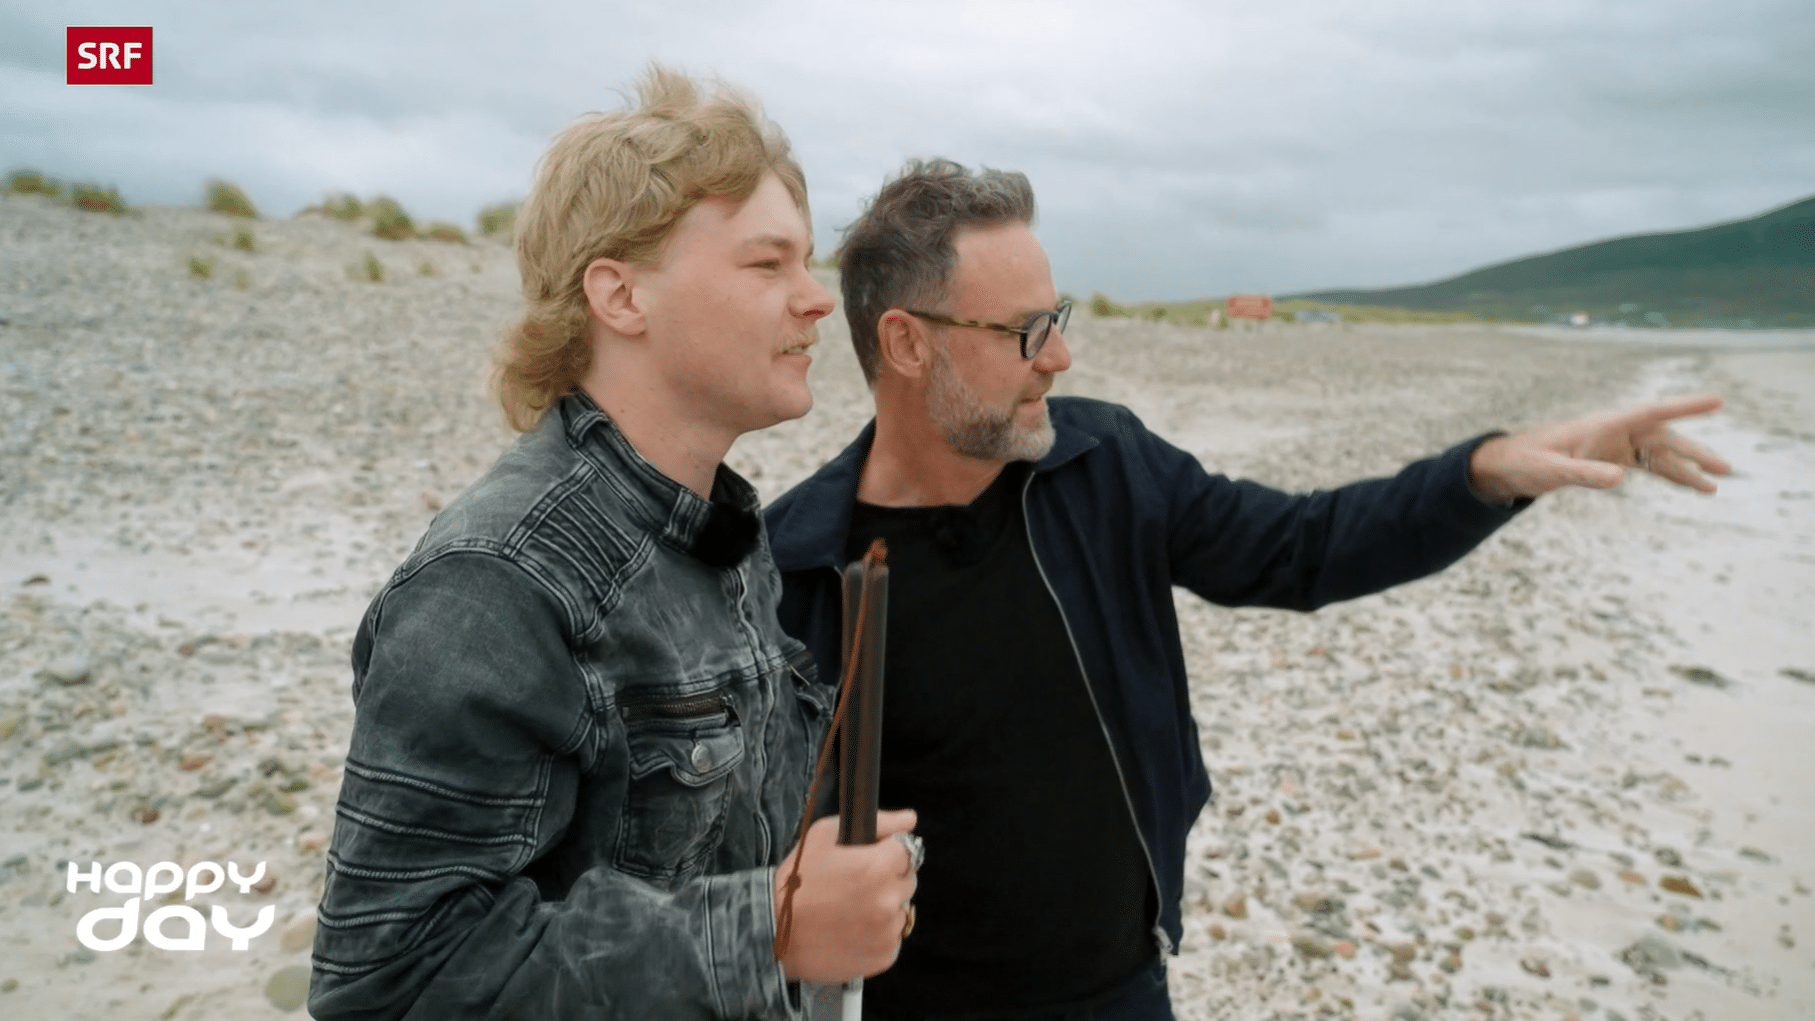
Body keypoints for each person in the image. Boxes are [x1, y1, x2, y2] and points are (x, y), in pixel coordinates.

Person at [763, 159, 1730, 1021]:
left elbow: (1304, 547)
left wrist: (1493, 470)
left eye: (1057, 321)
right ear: (905, 343)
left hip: (1122, 989)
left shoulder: (1108, 467)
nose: (1059, 357)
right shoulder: (796, 567)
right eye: (1026, 331)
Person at [308, 68, 921, 1021]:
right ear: (620, 295)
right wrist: (771, 928)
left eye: (808, 263)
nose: (813, 300)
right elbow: (390, 977)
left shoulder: (717, 533)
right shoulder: (496, 582)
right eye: (768, 265)